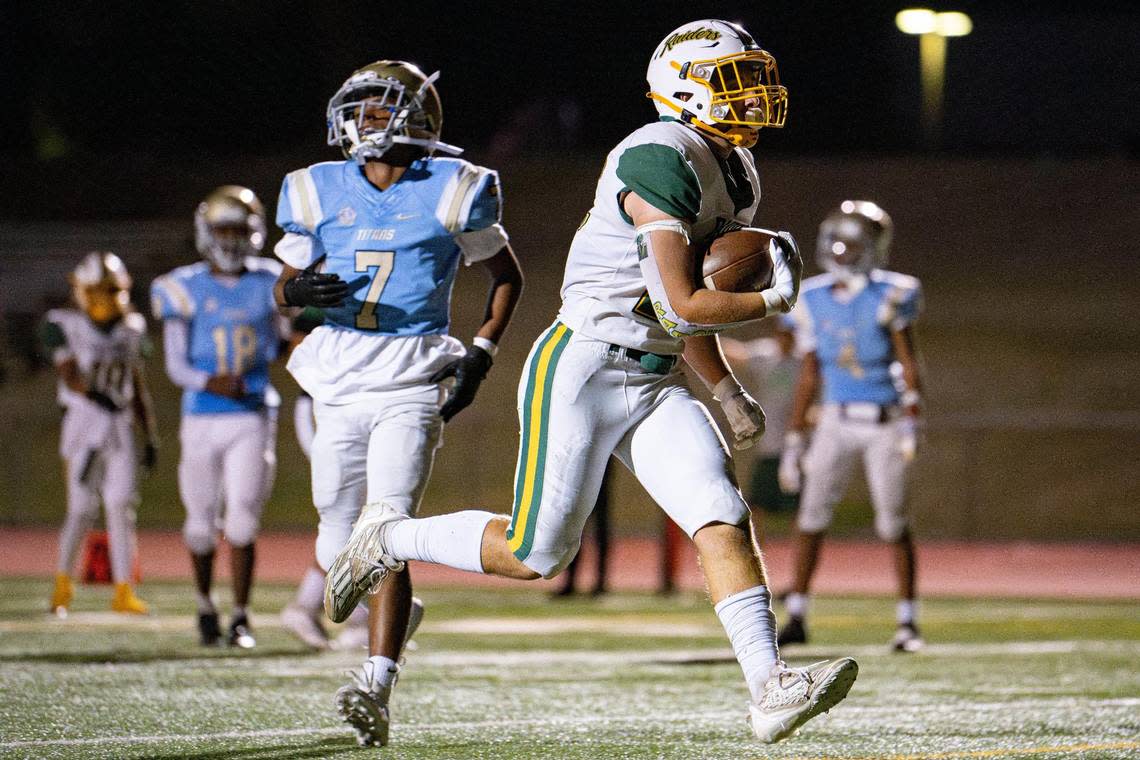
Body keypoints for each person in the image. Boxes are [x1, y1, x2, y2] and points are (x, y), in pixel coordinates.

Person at [325, 21, 858, 744]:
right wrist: (775, 299)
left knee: (721, 513)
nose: (755, 93)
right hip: (584, 367)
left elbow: (680, 311)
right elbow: (679, 300)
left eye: (755, 77)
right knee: (535, 553)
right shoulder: (657, 153)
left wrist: (725, 391)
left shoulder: (735, 168)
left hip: (656, 374)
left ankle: (770, 689)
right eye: (736, 79)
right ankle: (388, 536)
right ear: (684, 86)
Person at [272, 60, 523, 746]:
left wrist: (482, 352)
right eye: (363, 108)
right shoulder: (314, 190)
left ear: (416, 115)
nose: (368, 120)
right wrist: (293, 295)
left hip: (412, 373)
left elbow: (506, 275)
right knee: (334, 538)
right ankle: (397, 615)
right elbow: (285, 282)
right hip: (339, 374)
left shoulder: (454, 187)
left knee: (385, 523)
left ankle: (376, 685)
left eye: (382, 108)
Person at [776, 200, 925, 652]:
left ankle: (907, 621)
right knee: (811, 516)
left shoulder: (893, 292)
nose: (842, 251)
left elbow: (907, 360)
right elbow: (809, 373)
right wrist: (794, 436)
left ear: (872, 247)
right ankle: (797, 612)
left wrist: (913, 419)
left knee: (893, 520)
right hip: (834, 421)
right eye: (837, 241)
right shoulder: (810, 297)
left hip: (884, 420)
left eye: (853, 243)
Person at [150, 186, 286, 648]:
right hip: (202, 417)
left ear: (254, 232)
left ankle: (242, 616)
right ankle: (206, 605)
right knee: (199, 524)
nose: (229, 239)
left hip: (251, 414)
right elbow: (174, 365)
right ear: (206, 232)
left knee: (244, 521)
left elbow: (291, 338)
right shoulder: (181, 286)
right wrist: (211, 382)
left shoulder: (271, 279)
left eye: (238, 229)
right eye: (222, 229)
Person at [280, 308, 425, 653]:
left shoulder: (384, 288)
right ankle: (356, 616)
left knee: (363, 517)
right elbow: (296, 349)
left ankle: (323, 610)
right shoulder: (332, 293)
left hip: (363, 407)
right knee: (350, 516)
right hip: (331, 409)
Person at [43, 251, 157, 617]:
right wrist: (93, 394)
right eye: (97, 291)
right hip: (84, 424)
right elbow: (68, 373)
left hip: (119, 424)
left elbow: (137, 384)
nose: (104, 299)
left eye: (109, 290)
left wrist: (149, 434)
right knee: (80, 509)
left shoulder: (133, 328)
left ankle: (123, 589)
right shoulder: (63, 323)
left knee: (121, 505)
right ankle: (62, 584)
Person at [720, 321, 802, 521]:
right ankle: (758, 548)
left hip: (795, 446)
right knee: (756, 504)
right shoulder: (767, 354)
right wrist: (699, 337)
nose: (785, 339)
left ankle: (797, 551)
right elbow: (737, 352)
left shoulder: (802, 360)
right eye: (782, 334)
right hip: (770, 445)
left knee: (799, 507)